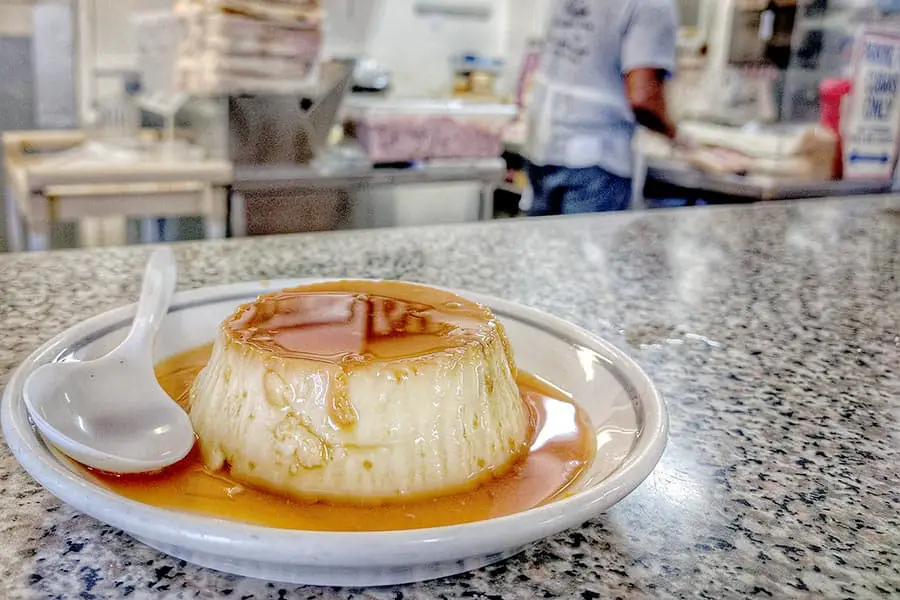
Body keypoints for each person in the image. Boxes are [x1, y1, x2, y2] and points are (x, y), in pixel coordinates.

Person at [525, 0, 682, 215]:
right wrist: (677, 136)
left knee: (544, 247)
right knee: (588, 248)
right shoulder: (653, 4)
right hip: (596, 161)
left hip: (542, 145)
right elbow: (643, 98)